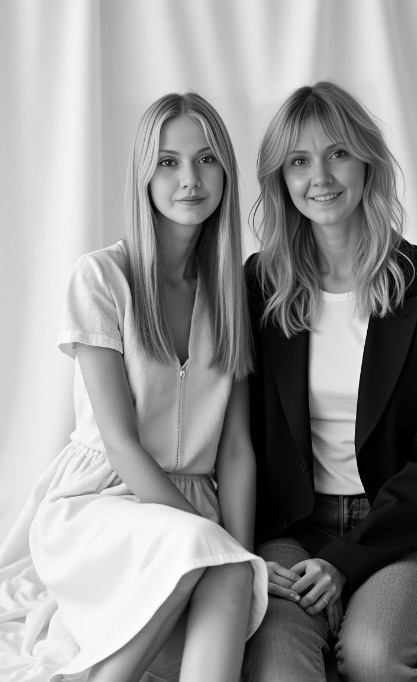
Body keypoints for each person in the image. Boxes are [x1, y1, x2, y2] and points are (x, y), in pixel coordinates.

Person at [242, 81, 417, 682]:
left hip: (406, 532)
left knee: (373, 659)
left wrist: (346, 563)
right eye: (298, 161)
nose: (320, 177)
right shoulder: (260, 286)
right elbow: (239, 435)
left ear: (366, 161)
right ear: (281, 179)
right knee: (279, 671)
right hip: (292, 531)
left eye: (337, 153)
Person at [0, 92, 267, 682]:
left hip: (190, 513)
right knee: (210, 558)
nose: (190, 179)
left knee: (231, 574)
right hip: (103, 504)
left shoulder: (232, 294)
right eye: (168, 162)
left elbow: (236, 450)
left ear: (226, 171)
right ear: (144, 174)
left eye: (206, 159)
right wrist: (210, 541)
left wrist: (241, 553)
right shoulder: (101, 277)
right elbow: (120, 442)